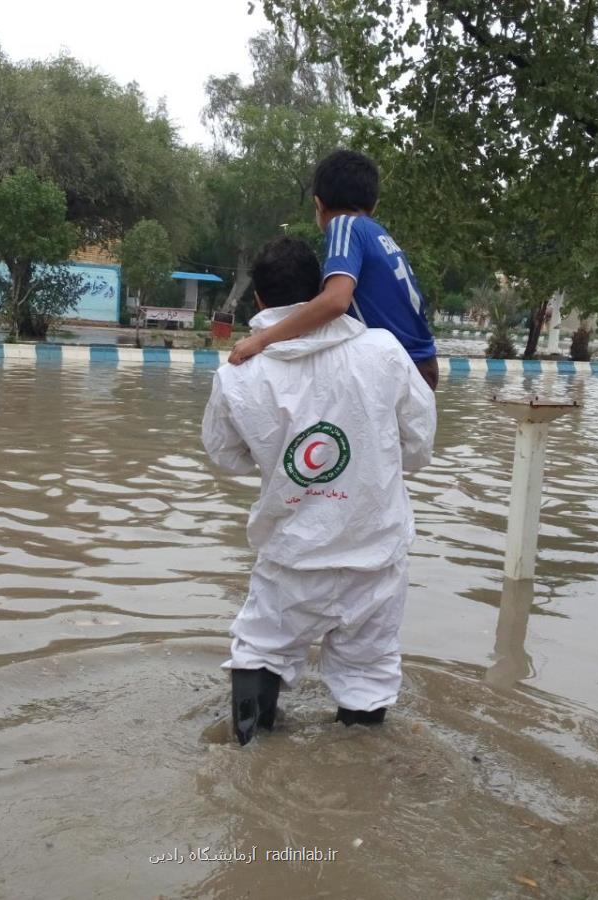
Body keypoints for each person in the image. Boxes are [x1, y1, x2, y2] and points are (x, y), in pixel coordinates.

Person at [202, 236, 437, 746]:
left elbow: (224, 455)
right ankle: (357, 774)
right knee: (368, 672)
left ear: (259, 301)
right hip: (375, 556)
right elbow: (418, 446)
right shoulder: (384, 352)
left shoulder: (239, 373)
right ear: (321, 288)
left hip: (291, 558)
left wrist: (281, 467)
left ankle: (248, 761)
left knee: (259, 648)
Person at [228, 149, 440, 390]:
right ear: (374, 206)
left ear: (319, 204)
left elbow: (336, 301)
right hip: (422, 363)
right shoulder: (377, 233)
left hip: (404, 369)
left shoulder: (344, 225)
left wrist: (261, 340)